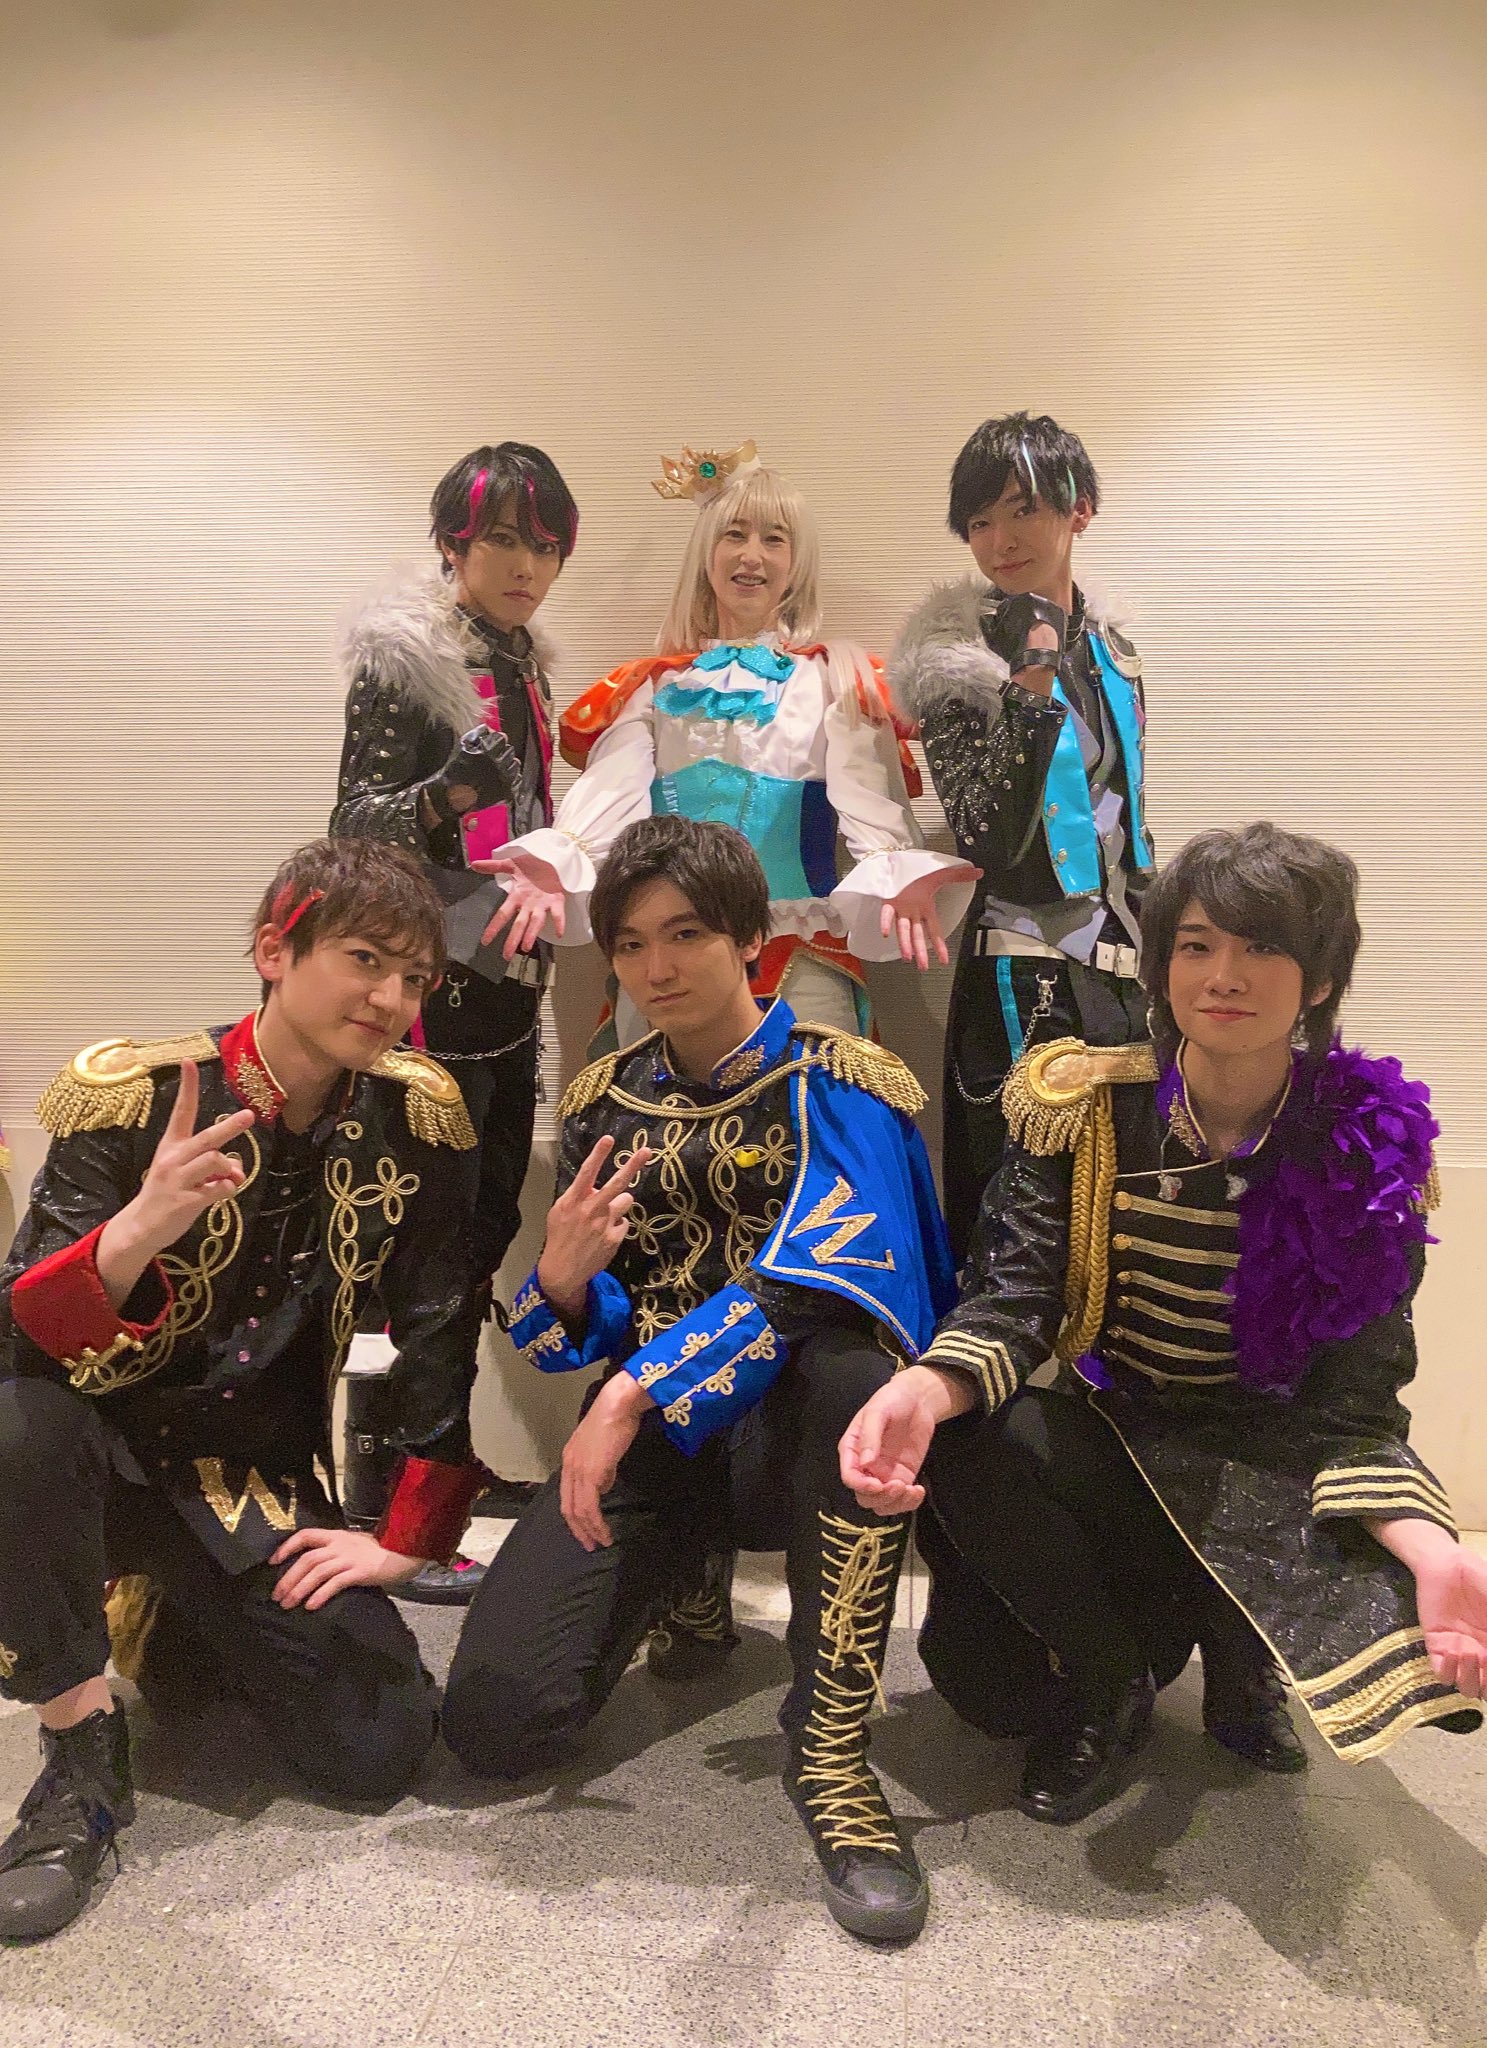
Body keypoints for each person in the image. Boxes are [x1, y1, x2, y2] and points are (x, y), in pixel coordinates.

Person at [840, 822, 1485, 1826]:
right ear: (1159, 966)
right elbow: (1012, 1298)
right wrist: (922, 1385)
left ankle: (1238, 1653)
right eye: (1194, 944)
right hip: (1119, 1435)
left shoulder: (1368, 1144)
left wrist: (1432, 1549)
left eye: (1261, 946)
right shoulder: (1082, 1104)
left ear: (1317, 980)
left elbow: (1355, 1404)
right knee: (985, 1668)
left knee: (1406, 1579)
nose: (1222, 974)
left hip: (1271, 1459)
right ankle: (1112, 1680)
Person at [442, 817, 956, 1942]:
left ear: (749, 939)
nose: (655, 968)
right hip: (663, 1452)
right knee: (494, 1723)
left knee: (851, 1376)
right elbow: (570, 1329)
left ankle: (831, 1747)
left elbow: (823, 1285)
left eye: (685, 935)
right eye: (629, 944)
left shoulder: (836, 1082)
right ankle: (685, 1577)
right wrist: (561, 1283)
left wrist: (629, 1393)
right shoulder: (604, 1098)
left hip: (796, 1445)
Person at [0, 839, 488, 1941]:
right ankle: (78, 1762)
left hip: (243, 1476)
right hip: (92, 1453)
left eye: (415, 976)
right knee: (15, 1426)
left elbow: (439, 1323)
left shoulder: (415, 1117)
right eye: (365, 959)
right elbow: (20, 1333)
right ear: (276, 949)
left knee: (377, 1748)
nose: (391, 998)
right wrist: (136, 1230)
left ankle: (178, 1613)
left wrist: (406, 1537)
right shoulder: (130, 1098)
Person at [480, 441, 976, 1044]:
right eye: (734, 534)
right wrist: (562, 860)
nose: (751, 555)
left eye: (774, 539)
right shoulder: (651, 689)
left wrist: (898, 869)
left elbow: (873, 805)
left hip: (799, 951)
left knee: (808, 1100)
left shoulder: (835, 680)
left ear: (796, 561)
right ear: (706, 553)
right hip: (669, 961)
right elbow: (606, 802)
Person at [330, 440, 579, 1600]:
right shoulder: (412, 661)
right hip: (429, 1003)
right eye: (503, 540)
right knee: (426, 1260)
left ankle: (423, 1481)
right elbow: (353, 825)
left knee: (472, 1243)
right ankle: (400, 1518)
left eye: (544, 544)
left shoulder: (520, 659)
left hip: (504, 997)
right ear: (452, 544)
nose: (525, 563)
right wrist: (446, 796)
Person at [889, 411, 1153, 1260]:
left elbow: (1128, 822)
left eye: (1022, 510)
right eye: (978, 521)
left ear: (1078, 509)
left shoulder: (1113, 652)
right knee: (1019, 1225)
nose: (999, 540)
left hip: (1124, 969)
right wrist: (1030, 678)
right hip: (1020, 972)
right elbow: (986, 836)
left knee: (1120, 1209)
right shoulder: (953, 658)